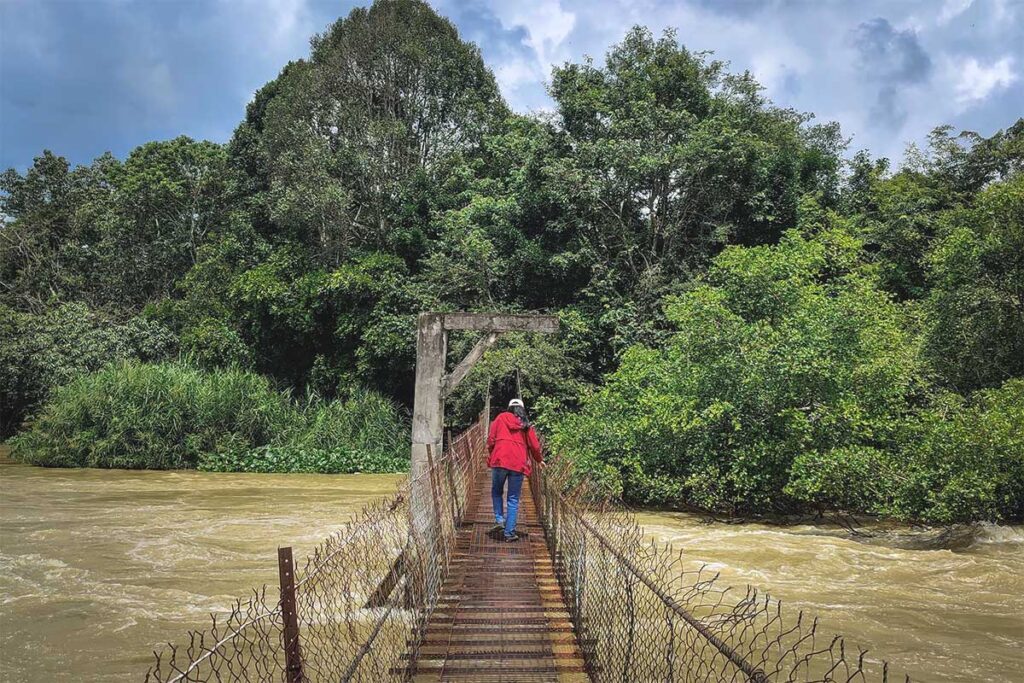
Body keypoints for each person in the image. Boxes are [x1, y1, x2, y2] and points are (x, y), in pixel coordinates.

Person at [487, 398, 543, 542]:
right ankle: (509, 533)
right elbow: (535, 446)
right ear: (522, 409)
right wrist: (539, 460)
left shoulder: (500, 418)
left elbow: (491, 439)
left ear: (509, 408)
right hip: (518, 463)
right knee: (513, 498)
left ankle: (499, 520)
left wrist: (492, 452)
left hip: (500, 460)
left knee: (496, 491)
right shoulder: (526, 424)